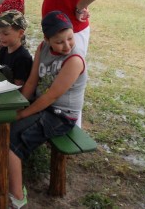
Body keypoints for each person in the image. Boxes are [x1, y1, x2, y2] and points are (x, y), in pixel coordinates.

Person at [8, 11, 87, 209]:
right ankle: (3, 172)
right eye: (59, 42)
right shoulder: (43, 48)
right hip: (43, 105)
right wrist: (19, 105)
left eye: (70, 38)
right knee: (2, 124)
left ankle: (17, 197)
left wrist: (22, 114)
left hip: (60, 116)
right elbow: (32, 80)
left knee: (8, 140)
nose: (67, 45)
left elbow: (52, 96)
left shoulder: (74, 60)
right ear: (47, 39)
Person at [0, 10, 32, 86]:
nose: (1, 36)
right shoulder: (3, 50)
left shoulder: (22, 58)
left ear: (20, 33)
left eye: (6, 33)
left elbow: (18, 87)